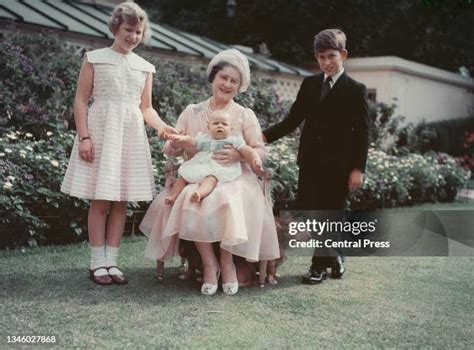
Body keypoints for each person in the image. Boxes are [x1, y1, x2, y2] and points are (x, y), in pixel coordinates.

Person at [140, 49, 280, 295]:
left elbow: (260, 150)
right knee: (188, 197)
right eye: (223, 78)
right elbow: (170, 148)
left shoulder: (244, 115)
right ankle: (209, 263)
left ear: (239, 86)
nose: (227, 84)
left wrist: (239, 154)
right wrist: (176, 142)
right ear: (213, 78)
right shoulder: (193, 110)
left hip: (235, 177)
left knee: (224, 197)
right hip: (197, 174)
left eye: (233, 81)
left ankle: (227, 264)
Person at [61, 3, 176, 286]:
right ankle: (96, 263)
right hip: (101, 134)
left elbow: (146, 108)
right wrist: (84, 136)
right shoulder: (95, 58)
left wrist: (162, 127)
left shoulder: (145, 67)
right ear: (115, 27)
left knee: (122, 201)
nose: (133, 36)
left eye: (138, 31)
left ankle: (112, 261)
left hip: (130, 137)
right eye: (128, 29)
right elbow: (80, 100)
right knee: (101, 200)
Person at [262, 29, 369, 284]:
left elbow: (363, 132)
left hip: (339, 166)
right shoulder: (310, 84)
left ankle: (318, 266)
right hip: (309, 163)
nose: (326, 62)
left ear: (343, 54)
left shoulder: (355, 89)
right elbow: (294, 119)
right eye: (321, 57)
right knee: (311, 215)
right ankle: (337, 256)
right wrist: (263, 136)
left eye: (331, 56)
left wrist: (358, 169)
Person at [165, 109, 264, 205]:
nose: (220, 126)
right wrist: (181, 138)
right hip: (201, 164)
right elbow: (192, 141)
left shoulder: (234, 140)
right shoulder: (204, 138)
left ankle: (199, 193)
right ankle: (174, 196)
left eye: (224, 124)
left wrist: (254, 158)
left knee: (211, 179)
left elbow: (247, 150)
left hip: (219, 167)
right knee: (183, 176)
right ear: (208, 127)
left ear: (231, 129)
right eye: (216, 123)